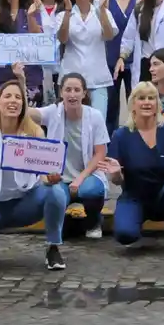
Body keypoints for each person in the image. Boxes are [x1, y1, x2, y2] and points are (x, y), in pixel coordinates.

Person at [0, 78, 71, 270]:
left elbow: (43, 174)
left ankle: (53, 247)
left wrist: (50, 178)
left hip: (26, 201)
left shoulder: (34, 133)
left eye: (18, 97)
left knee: (57, 191)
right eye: (7, 96)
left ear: (23, 105)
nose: (13, 101)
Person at [102, 83, 164, 252]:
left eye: (151, 98)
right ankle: (135, 220)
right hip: (134, 196)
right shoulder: (121, 136)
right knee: (125, 235)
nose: (146, 102)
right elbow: (118, 181)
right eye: (141, 98)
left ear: (157, 104)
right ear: (133, 104)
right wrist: (115, 174)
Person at [35, 73, 111, 240]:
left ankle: (93, 222)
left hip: (88, 176)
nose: (72, 94)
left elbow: (101, 153)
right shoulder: (53, 112)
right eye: (68, 90)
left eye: (77, 90)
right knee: (52, 197)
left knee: (91, 190)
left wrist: (80, 179)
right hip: (60, 178)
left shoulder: (95, 116)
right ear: (61, 92)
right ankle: (64, 223)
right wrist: (20, 80)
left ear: (84, 93)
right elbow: (27, 113)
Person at [58, 0, 117, 122]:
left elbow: (109, 35)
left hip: (98, 78)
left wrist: (102, 9)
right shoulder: (63, 15)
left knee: (98, 123)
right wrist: (67, 11)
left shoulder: (103, 12)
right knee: (71, 125)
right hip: (71, 78)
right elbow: (62, 39)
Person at [104, 0, 138, 135]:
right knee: (111, 104)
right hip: (110, 58)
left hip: (133, 60)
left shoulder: (139, 0)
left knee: (135, 102)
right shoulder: (107, 1)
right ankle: (111, 139)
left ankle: (134, 137)